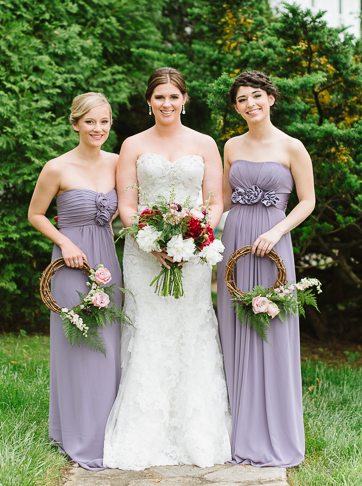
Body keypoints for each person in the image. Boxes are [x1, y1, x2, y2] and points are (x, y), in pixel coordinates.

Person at [103, 68, 231, 470]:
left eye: (174, 97)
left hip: (193, 256)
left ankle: (197, 434)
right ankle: (144, 433)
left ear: (184, 100)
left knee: (190, 331)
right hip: (145, 254)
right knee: (149, 332)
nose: (167, 104)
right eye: (159, 97)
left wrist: (194, 238)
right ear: (149, 101)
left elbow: (214, 201)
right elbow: (127, 201)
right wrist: (151, 239)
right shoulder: (133, 144)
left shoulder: (205, 143)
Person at [216, 71, 315, 467]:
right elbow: (221, 200)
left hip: (274, 242)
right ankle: (238, 428)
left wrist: (277, 230)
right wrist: (189, 233)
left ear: (272, 98)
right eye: (241, 99)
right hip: (236, 242)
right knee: (235, 324)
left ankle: (275, 432)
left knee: (271, 327)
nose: (250, 104)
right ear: (237, 107)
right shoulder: (231, 146)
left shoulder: (293, 147)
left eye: (256, 96)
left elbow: (307, 202)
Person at [27, 92, 121, 471]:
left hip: (108, 261)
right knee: (79, 344)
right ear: (75, 124)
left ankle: (109, 432)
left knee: (111, 346)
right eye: (90, 122)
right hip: (71, 261)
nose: (97, 129)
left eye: (104, 122)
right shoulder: (57, 167)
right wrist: (64, 241)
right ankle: (77, 435)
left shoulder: (118, 164)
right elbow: (36, 214)